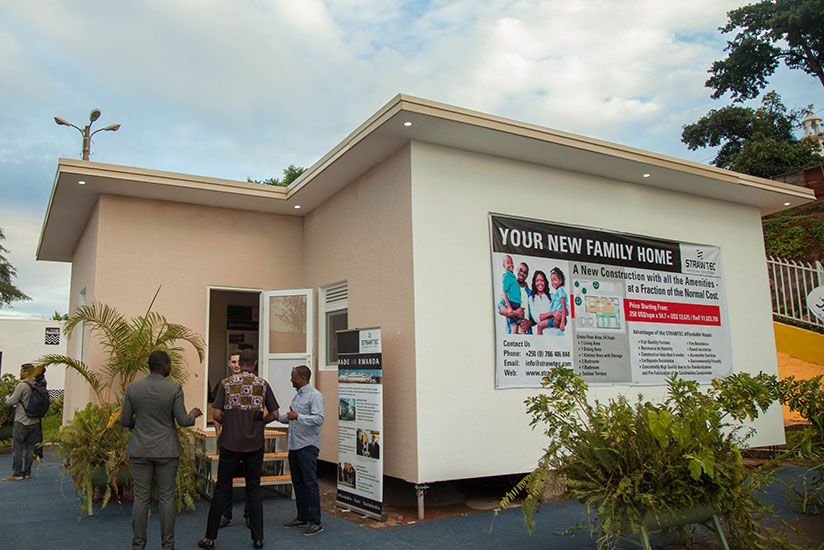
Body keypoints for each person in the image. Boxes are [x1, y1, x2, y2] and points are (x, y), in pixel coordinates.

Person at [119, 350, 202, 550]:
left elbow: (124, 420)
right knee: (166, 498)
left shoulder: (133, 388)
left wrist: (139, 426)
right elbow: (182, 421)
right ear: (164, 365)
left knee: (141, 499)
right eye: (170, 364)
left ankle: (138, 545)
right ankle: (168, 545)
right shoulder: (174, 389)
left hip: (140, 450)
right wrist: (193, 414)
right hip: (167, 451)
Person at [198, 349, 279, 550]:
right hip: (254, 445)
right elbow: (275, 413)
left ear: (239, 363)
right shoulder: (262, 384)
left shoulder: (226, 384)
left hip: (230, 444)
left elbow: (216, 415)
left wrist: (231, 421)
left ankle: (210, 537)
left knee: (222, 488)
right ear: (255, 363)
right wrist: (261, 421)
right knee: (254, 489)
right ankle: (258, 538)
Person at [280, 365, 325, 536]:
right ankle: (302, 516)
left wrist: (298, 416)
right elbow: (291, 418)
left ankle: (316, 521)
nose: (291, 379)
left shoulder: (315, 396)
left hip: (307, 446)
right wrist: (274, 416)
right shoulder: (297, 397)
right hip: (294, 445)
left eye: (294, 377)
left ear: (303, 378)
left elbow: (319, 419)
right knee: (298, 483)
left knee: (309, 484)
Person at [213, 352, 250, 529]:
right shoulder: (224, 384)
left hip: (249, 440)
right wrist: (218, 432)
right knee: (225, 480)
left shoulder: (255, 385)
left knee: (251, 480)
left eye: (238, 362)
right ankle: (225, 514)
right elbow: (216, 412)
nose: (236, 365)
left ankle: (250, 515)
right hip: (228, 439)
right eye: (233, 362)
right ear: (229, 364)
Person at [3, 363, 44, 481]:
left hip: (22, 421)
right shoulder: (37, 384)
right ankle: (27, 472)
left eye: (21, 371)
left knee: (17, 448)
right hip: (35, 422)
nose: (20, 373)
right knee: (30, 448)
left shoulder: (22, 385)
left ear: (26, 373)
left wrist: (6, 399)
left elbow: (11, 402)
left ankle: (17, 473)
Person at [498, 258, 532, 334]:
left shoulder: (530, 293)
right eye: (520, 270)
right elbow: (500, 308)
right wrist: (514, 313)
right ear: (516, 270)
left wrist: (529, 323)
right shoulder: (509, 289)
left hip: (527, 336)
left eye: (525, 272)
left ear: (527, 275)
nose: (522, 273)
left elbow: (535, 317)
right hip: (512, 336)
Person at [527, 270, 555, 335]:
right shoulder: (531, 299)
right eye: (537, 281)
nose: (540, 283)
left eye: (542, 280)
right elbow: (536, 318)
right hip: (540, 337)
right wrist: (552, 313)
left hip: (555, 334)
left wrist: (544, 317)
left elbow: (558, 316)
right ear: (534, 283)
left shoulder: (552, 297)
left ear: (545, 282)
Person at [548, 267, 569, 333]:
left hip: (560, 318)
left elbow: (563, 306)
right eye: (551, 280)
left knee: (540, 325)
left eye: (555, 280)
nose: (553, 282)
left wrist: (562, 322)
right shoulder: (557, 293)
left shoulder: (560, 290)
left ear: (560, 281)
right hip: (556, 317)